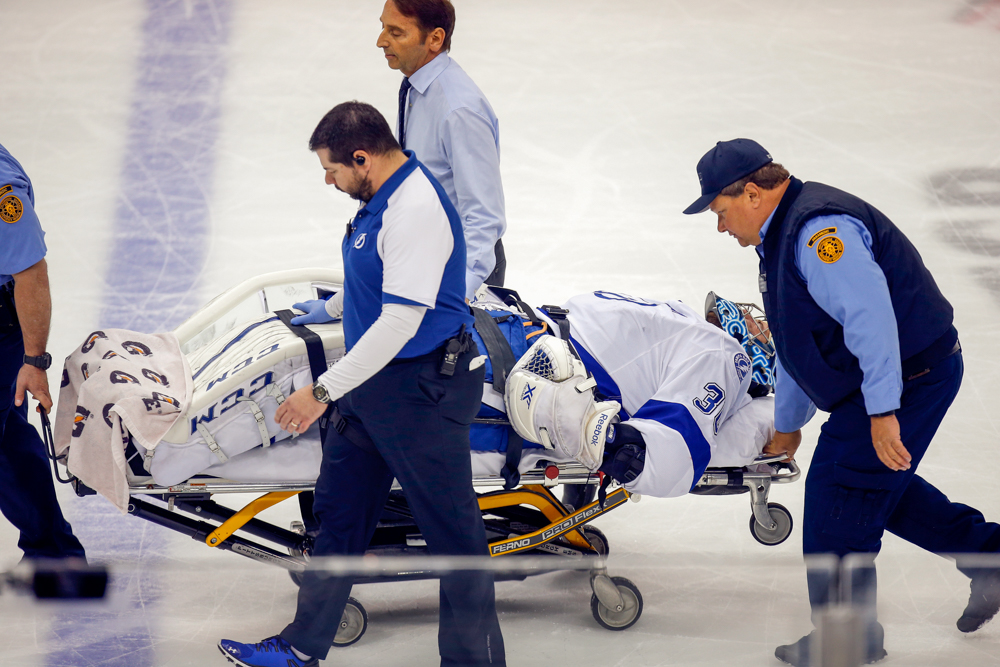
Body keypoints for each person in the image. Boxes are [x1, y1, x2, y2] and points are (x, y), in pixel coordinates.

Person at [683, 138, 1000, 665]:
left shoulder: (818, 234)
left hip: (909, 376)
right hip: (891, 377)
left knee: (839, 496)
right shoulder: (781, 234)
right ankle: (989, 558)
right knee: (875, 485)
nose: (720, 227)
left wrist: (882, 411)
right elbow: (793, 339)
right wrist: (787, 424)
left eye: (720, 211)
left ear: (754, 193)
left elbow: (871, 320)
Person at [218, 102, 505, 667]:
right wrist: (329, 306)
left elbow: (399, 322)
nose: (329, 180)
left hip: (424, 392)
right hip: (376, 388)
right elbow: (378, 280)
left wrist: (320, 392)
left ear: (362, 157)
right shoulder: (382, 198)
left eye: (331, 170)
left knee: (457, 542)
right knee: (340, 515)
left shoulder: (415, 208)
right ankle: (302, 647)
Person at [377, 0, 506, 299]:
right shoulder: (418, 87)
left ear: (434, 39)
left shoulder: (458, 110)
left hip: (457, 269)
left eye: (396, 32)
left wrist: (456, 293)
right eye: (383, 27)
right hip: (424, 257)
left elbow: (484, 216)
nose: (381, 41)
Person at [0, 143, 86, 561]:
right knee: (8, 442)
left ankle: (53, 554)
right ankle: (52, 552)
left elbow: (30, 272)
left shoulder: (2, 189)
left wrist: (34, 362)